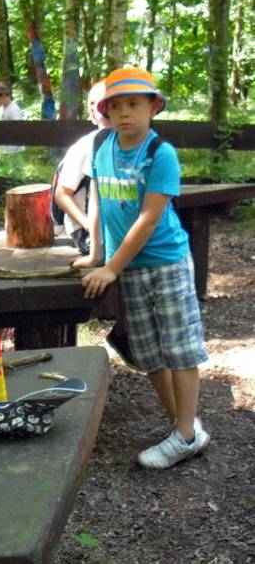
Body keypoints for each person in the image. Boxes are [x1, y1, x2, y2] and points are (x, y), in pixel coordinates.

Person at [79, 67, 209, 470]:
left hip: (164, 263)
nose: (124, 114)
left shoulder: (160, 154)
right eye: (115, 106)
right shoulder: (103, 148)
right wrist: (97, 255)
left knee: (180, 349)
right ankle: (182, 426)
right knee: (148, 352)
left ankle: (186, 433)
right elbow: (98, 203)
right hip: (127, 266)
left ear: (153, 106)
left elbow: (148, 219)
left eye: (133, 104)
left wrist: (111, 268)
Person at [54, 80, 112, 256]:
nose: (98, 107)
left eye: (104, 100)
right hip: (86, 229)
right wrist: (88, 225)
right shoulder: (85, 147)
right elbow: (62, 194)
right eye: (92, 103)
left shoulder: (130, 143)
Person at [0, 81, 25, 155]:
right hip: (3, 149)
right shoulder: (1, 109)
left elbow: (17, 131)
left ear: (3, 95)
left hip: (14, 151)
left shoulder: (14, 110)